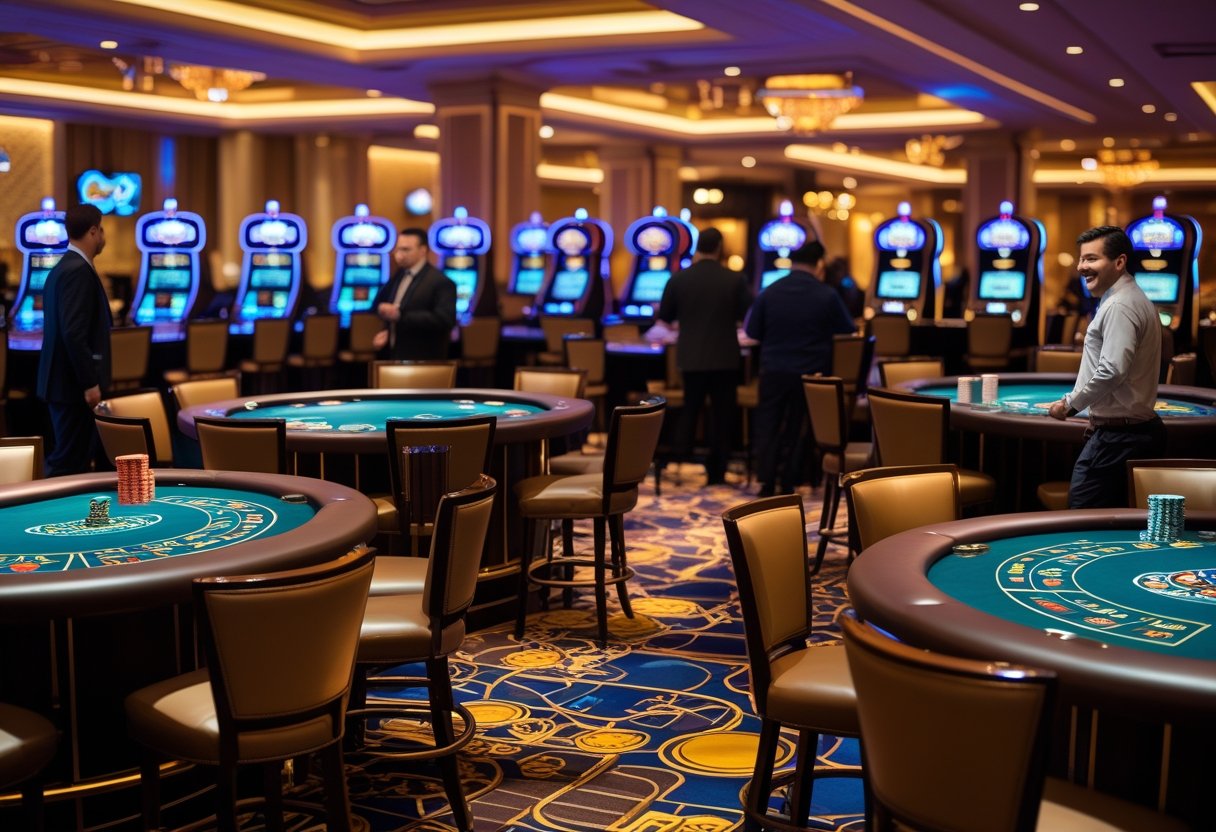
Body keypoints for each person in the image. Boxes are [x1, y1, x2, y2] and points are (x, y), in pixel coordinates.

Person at [1048, 226, 1165, 508]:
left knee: (1083, 519)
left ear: (1119, 262)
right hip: (1133, 432)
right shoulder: (1125, 298)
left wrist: (1069, 404)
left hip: (1119, 437)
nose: (1081, 267)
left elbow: (1112, 369)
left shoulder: (1120, 306)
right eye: (1081, 259)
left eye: (1091, 259)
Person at [745, 239, 855, 497]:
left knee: (768, 424)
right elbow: (848, 330)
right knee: (798, 427)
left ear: (792, 263)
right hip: (811, 373)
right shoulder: (826, 294)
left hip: (773, 370)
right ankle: (789, 481)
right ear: (818, 265)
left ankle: (766, 481)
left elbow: (752, 332)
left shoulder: (769, 291)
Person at [656, 227, 752, 484]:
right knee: (722, 415)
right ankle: (717, 471)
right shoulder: (735, 279)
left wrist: (683, 324)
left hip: (691, 356)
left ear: (697, 247)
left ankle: (680, 460)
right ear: (720, 247)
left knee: (691, 409)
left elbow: (664, 318)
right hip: (724, 356)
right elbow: (748, 318)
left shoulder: (678, 278)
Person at [37, 203, 113, 476]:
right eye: (101, 230)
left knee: (74, 461)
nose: (103, 236)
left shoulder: (64, 267)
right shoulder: (78, 270)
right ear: (93, 232)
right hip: (71, 387)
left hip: (63, 384)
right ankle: (39, 514)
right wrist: (90, 383)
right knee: (68, 464)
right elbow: (73, 332)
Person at [372, 228, 456, 360]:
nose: (399, 254)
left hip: (424, 360)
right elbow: (379, 305)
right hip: (396, 355)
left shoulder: (441, 282)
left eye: (406, 249)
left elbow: (445, 320)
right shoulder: (399, 275)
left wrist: (401, 315)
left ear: (423, 250)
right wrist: (388, 330)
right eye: (398, 249)